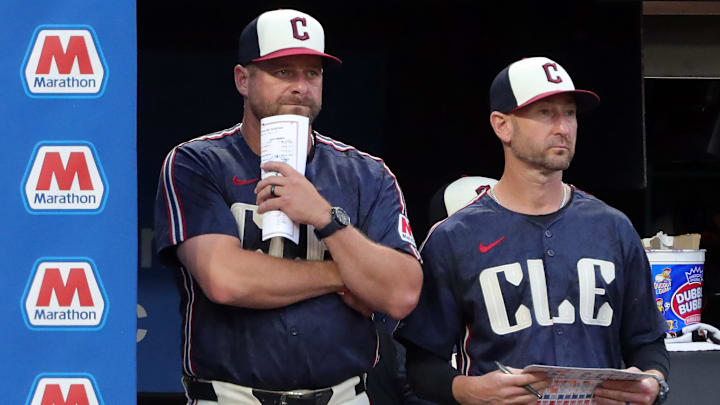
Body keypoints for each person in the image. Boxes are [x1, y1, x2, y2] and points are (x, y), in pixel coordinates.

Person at [154, 9, 423, 405]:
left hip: (343, 395)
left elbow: (400, 293)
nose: (301, 87)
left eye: (311, 74)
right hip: (232, 397)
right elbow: (226, 280)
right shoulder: (198, 162)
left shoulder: (366, 174)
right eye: (283, 72)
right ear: (242, 79)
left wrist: (325, 219)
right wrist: (346, 275)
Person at [397, 57, 670, 405]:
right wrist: (469, 390)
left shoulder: (612, 227)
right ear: (502, 126)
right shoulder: (455, 236)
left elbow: (647, 342)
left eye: (569, 113)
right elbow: (419, 363)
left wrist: (652, 381)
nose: (563, 127)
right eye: (545, 113)